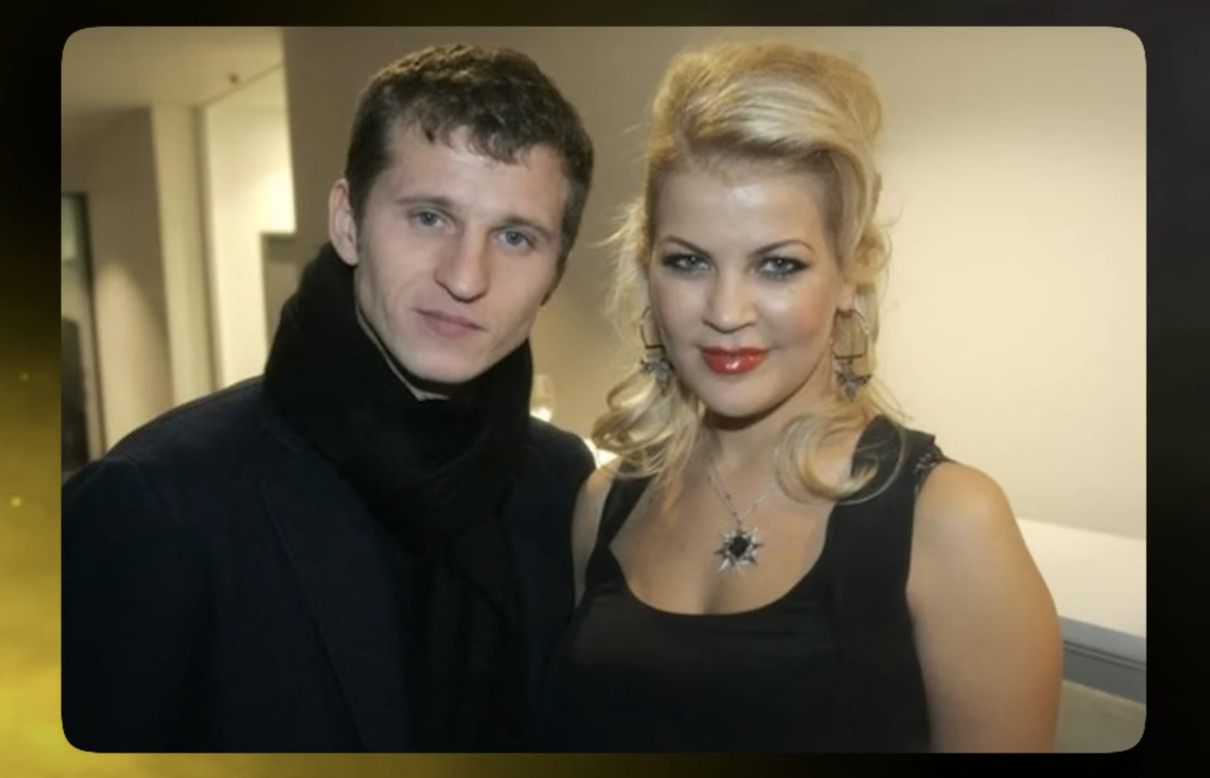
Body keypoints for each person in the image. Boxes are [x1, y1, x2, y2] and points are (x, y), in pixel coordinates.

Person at [62, 43, 595, 753]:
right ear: (347, 221)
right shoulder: (156, 502)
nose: (466, 277)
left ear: (555, 272)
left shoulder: (563, 485)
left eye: (516, 236)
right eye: (429, 217)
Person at [544, 40, 1062, 752]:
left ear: (851, 274)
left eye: (778, 266)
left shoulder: (950, 522)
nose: (727, 311)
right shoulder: (604, 505)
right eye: (688, 261)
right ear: (648, 269)